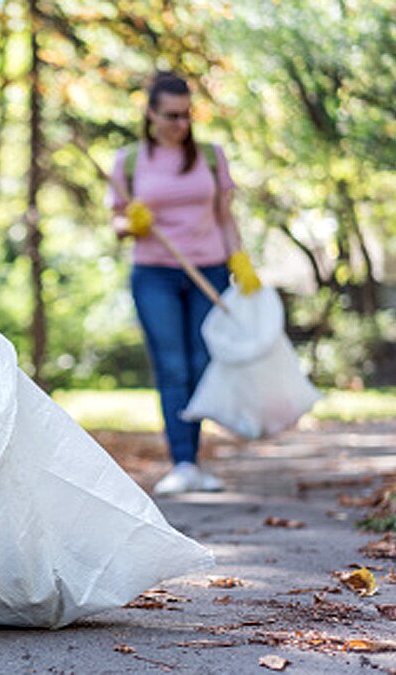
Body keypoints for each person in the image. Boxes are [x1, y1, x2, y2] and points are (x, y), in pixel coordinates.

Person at [108, 72, 261, 495]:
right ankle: (184, 463)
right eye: (171, 115)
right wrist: (131, 224)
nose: (180, 124)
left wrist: (241, 261)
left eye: (186, 115)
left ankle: (194, 460)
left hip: (209, 272)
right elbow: (117, 221)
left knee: (201, 365)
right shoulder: (130, 161)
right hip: (154, 274)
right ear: (151, 114)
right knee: (173, 367)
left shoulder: (211, 157)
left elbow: (225, 216)